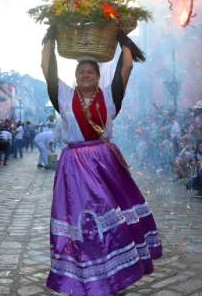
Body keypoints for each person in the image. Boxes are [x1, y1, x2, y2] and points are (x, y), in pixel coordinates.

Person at [41, 30, 161, 295]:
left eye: (90, 72)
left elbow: (126, 66)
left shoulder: (110, 96)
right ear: (75, 76)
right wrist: (50, 37)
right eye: (81, 72)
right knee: (82, 220)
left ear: (98, 76)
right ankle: (83, 274)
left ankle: (115, 272)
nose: (85, 75)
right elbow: (46, 68)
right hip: (73, 166)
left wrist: (121, 39)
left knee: (112, 216)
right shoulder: (62, 96)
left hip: (104, 164)